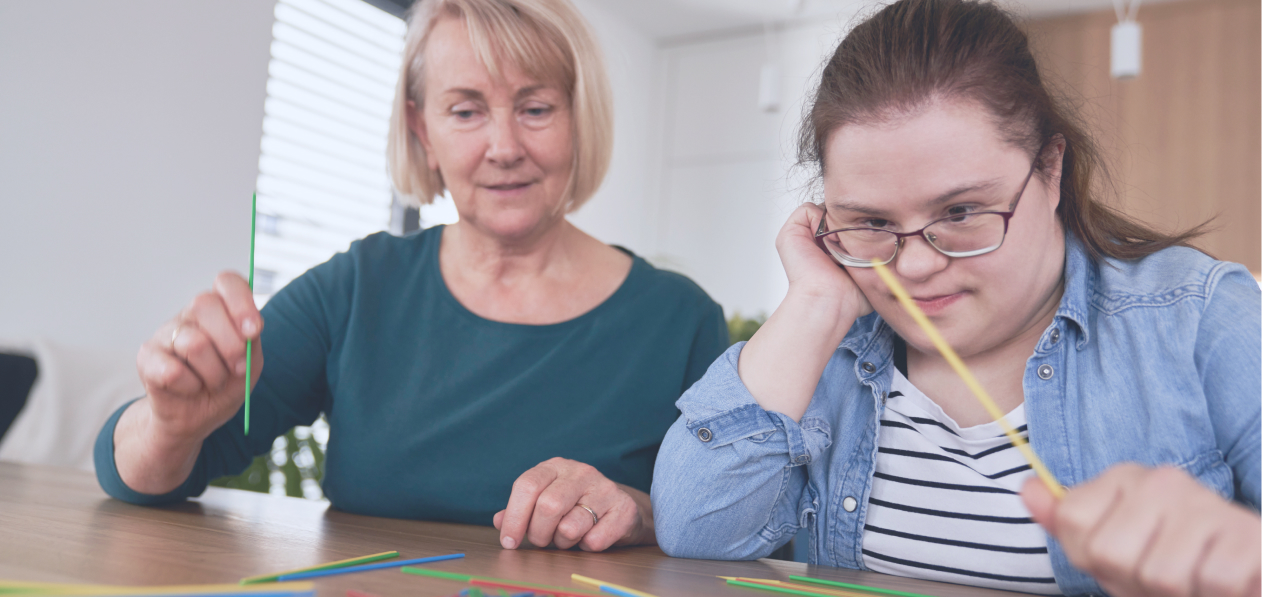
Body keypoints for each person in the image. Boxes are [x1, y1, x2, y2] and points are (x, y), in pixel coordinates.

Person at [651, 0, 1260, 595]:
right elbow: (696, 531)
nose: (914, 266)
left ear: (1050, 169)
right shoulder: (827, 354)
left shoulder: (1201, 318)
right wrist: (814, 304)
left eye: (962, 211)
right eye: (871, 221)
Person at [94, 0, 728, 554]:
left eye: (536, 108)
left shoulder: (681, 320)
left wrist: (642, 513)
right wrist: (170, 425)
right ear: (422, 129)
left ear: (577, 118)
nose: (504, 146)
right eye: (465, 112)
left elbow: (748, 526)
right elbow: (143, 476)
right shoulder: (354, 290)